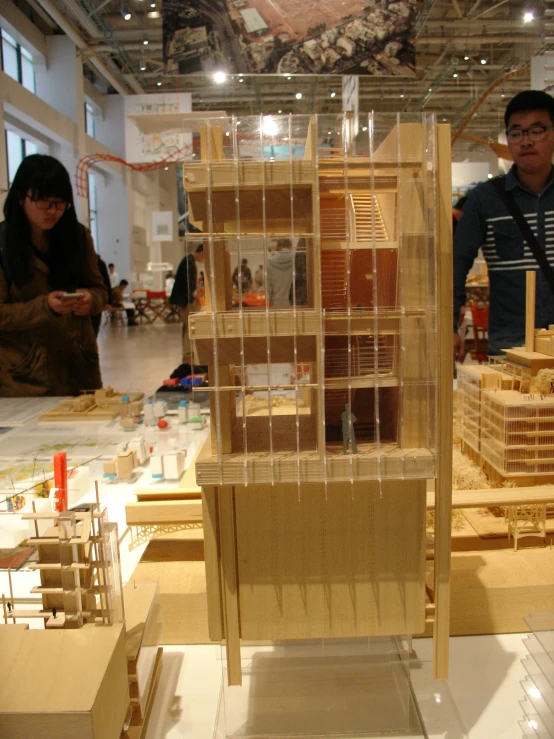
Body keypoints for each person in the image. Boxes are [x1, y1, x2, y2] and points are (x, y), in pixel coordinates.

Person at [454, 89, 554, 359]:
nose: (526, 141)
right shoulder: (485, 199)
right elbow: (457, 261)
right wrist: (450, 325)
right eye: (516, 132)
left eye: (536, 130)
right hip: (511, 343)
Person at [0, 154, 108, 396]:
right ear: (20, 197)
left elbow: (100, 290)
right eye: (43, 202)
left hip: (78, 371)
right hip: (23, 378)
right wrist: (45, 307)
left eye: (60, 203)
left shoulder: (77, 237)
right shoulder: (3, 244)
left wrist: (91, 300)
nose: (53, 211)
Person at [170, 244, 204, 362]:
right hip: (185, 300)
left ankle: (187, 351)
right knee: (190, 326)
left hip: (183, 299)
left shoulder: (188, 260)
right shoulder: (190, 262)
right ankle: (188, 353)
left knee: (187, 326)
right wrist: (193, 297)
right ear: (201, 253)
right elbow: (189, 284)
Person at [268, 238, 293, 307]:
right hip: (292, 302)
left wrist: (270, 299)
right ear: (290, 246)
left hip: (276, 302)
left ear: (278, 247)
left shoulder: (270, 262)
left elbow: (268, 285)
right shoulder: (296, 260)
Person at [91, 254, 112, 337]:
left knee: (92, 332)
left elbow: (106, 283)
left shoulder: (99, 263)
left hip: (94, 301)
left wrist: (107, 301)